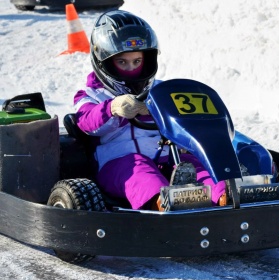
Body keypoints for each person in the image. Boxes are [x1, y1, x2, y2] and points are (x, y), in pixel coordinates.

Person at [74, 10, 227, 211]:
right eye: (122, 62)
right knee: (140, 171)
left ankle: (227, 195)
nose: (131, 69)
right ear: (104, 61)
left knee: (195, 165)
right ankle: (165, 205)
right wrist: (113, 108)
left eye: (137, 61)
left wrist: (163, 109)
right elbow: (85, 122)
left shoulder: (161, 89)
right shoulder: (90, 95)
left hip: (166, 156)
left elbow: (186, 121)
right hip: (119, 162)